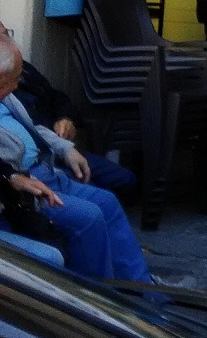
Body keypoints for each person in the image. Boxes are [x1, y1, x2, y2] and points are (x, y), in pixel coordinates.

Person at [0, 38, 151, 282]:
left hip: (45, 168)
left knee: (108, 200)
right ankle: (101, 303)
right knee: (88, 217)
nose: (18, 85)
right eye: (14, 79)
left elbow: (38, 123)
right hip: (26, 186)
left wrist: (66, 149)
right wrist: (12, 177)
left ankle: (143, 288)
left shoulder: (8, 94)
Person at [0, 19, 136, 202]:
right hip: (39, 161)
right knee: (98, 200)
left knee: (125, 180)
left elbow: (58, 97)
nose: (6, 41)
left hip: (57, 146)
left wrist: (66, 118)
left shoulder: (25, 71)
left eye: (6, 34)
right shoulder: (4, 87)